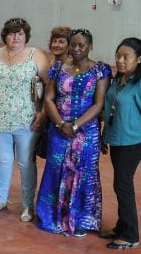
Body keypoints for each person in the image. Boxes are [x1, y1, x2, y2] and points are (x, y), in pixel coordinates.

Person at [36, 29, 110, 236]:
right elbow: (49, 98)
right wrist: (60, 124)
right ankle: (52, 217)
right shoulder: (58, 68)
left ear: (90, 46)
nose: (77, 49)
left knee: (84, 173)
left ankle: (80, 221)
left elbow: (99, 103)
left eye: (82, 45)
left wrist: (75, 125)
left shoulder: (100, 71)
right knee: (55, 169)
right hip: (58, 130)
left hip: (86, 133)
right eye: (74, 45)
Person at [100, 38, 141, 250]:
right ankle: (122, 227)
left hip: (133, 142)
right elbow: (109, 109)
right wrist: (105, 135)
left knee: (123, 184)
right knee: (120, 184)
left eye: (126, 57)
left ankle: (130, 235)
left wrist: (133, 124)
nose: (120, 60)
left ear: (139, 59)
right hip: (117, 139)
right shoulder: (120, 80)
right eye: (118, 55)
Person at [0, 17, 49, 221]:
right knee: (3, 161)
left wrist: (43, 112)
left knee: (25, 163)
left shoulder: (35, 55)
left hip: (27, 120)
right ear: (5, 35)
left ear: (26, 36)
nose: (16, 37)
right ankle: (1, 198)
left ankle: (27, 204)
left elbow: (50, 86)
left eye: (20, 33)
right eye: (12, 33)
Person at [34, 26, 72, 160]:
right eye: (54, 41)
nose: (56, 45)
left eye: (61, 41)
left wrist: (43, 115)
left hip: (61, 117)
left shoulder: (70, 66)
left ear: (69, 45)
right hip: (48, 115)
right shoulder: (49, 63)